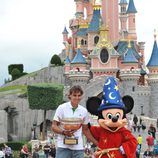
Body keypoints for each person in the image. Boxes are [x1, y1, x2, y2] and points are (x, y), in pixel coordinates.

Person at [52, 85, 98, 158]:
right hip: (63, 147)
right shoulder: (61, 108)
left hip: (78, 148)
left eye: (79, 95)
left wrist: (96, 143)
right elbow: (54, 126)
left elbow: (85, 130)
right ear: (69, 95)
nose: (77, 97)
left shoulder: (84, 111)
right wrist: (64, 132)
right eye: (74, 95)